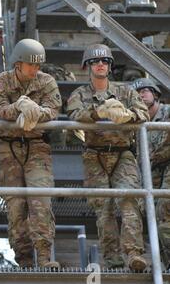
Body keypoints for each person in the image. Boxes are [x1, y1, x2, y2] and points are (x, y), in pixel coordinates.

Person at [67, 44, 149, 271]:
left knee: (129, 201)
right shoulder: (80, 94)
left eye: (105, 61)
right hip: (95, 155)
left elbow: (143, 113)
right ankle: (112, 260)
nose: (101, 65)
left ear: (110, 66)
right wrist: (99, 112)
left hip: (123, 154)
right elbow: (74, 114)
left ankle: (134, 255)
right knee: (103, 208)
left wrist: (127, 116)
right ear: (87, 66)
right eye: (95, 62)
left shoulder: (126, 92)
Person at [0, 38, 61, 268]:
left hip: (37, 146)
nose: (35, 69)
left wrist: (36, 112)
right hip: (7, 148)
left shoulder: (46, 81)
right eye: (31, 64)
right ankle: (25, 260)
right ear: (18, 63)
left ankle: (45, 257)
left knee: (40, 200)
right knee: (16, 206)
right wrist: (18, 107)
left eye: (38, 65)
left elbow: (53, 109)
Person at [133, 77, 170, 269]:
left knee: (164, 212)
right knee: (153, 217)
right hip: (152, 171)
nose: (141, 94)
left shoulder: (168, 112)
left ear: (155, 94)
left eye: (145, 90)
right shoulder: (136, 123)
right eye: (137, 92)